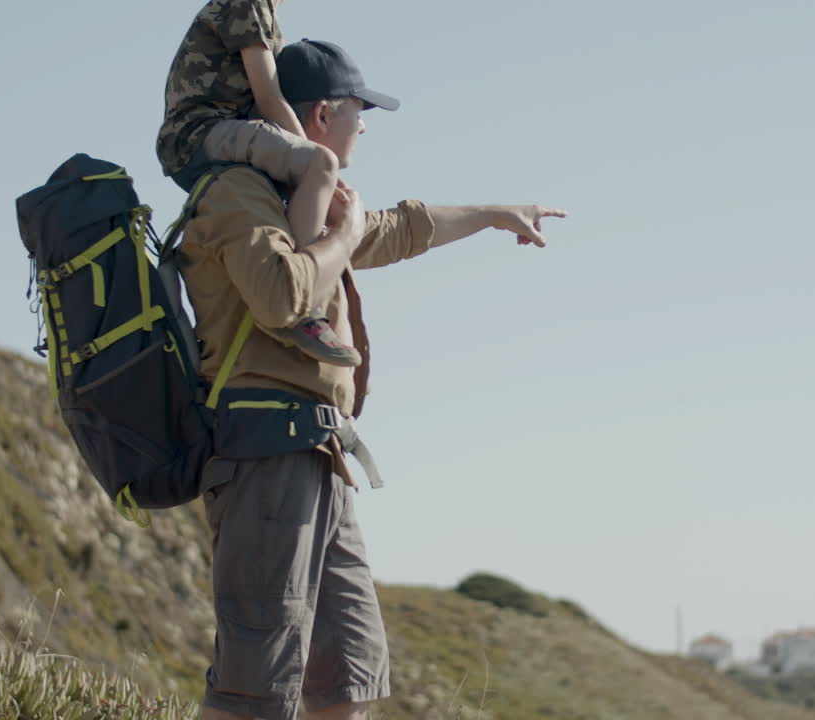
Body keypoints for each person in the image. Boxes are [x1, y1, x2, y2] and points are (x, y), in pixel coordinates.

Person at [180, 39, 566, 720]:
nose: (364, 127)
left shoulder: (309, 197)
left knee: (346, 681)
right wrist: (345, 229)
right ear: (325, 114)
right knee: (256, 688)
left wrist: (492, 215)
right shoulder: (236, 191)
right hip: (264, 451)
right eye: (360, 113)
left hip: (323, 457)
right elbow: (280, 296)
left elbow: (395, 231)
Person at [157, 0, 361, 367]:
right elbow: (268, 97)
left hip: (215, 133)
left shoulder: (262, 9)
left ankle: (292, 289)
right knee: (319, 161)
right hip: (199, 135)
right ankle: (302, 306)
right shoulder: (248, 2)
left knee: (313, 169)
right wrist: (322, 170)